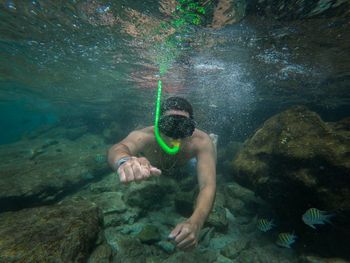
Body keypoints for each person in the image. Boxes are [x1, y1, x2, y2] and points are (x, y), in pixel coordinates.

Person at [108, 96, 217, 250]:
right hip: (156, 167)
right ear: (159, 124)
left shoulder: (200, 141)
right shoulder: (144, 135)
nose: (175, 134)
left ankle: (214, 145)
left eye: (183, 126)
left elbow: (207, 184)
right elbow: (118, 148)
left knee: (203, 160)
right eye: (169, 124)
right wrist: (124, 161)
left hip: (184, 165)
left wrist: (196, 223)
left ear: (191, 127)